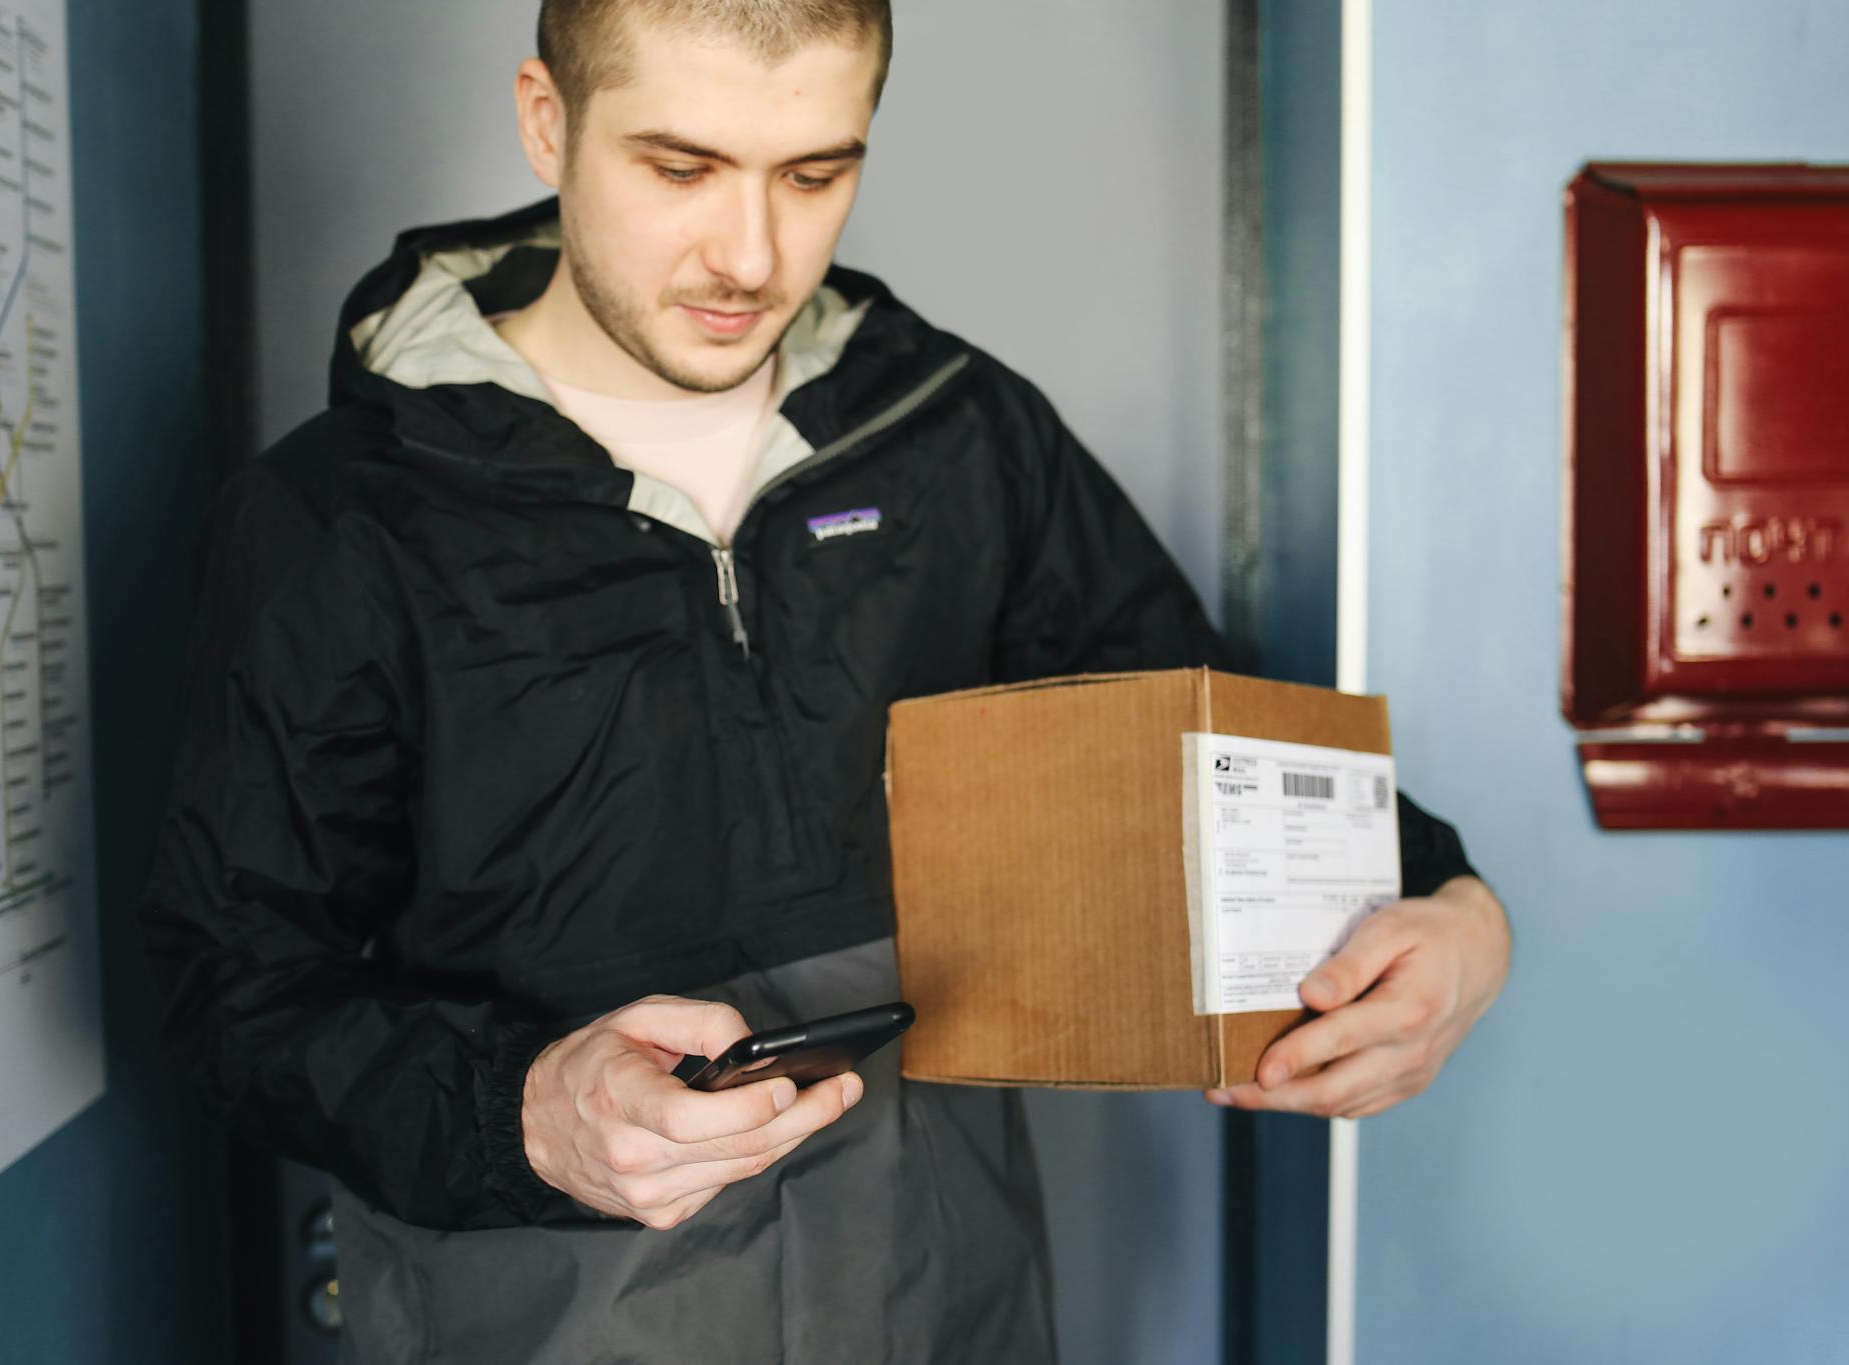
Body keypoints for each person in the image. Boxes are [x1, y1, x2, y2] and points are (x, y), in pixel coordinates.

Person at [138, 1, 1513, 1360]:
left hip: (951, 1306)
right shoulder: (342, 520)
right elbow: (231, 985)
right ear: (548, 121)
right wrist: (524, 1111)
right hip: (540, 1320)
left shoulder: (960, 437)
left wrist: (1450, 904)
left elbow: (1212, 752)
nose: (751, 253)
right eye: (680, 168)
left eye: (816, 173)